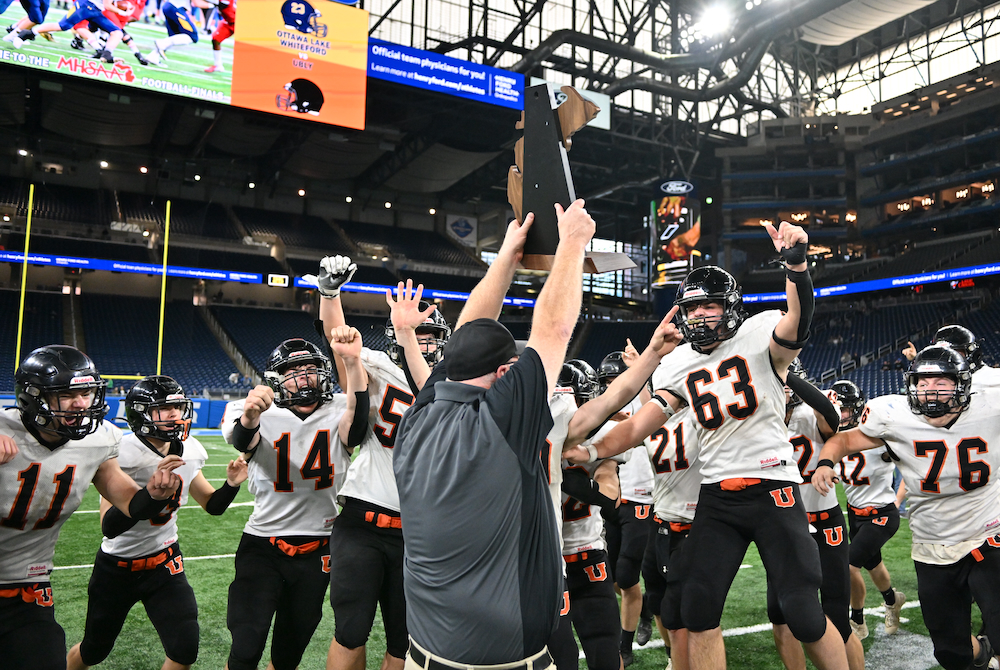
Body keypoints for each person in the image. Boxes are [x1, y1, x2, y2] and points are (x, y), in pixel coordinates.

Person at [572, 221, 850, 670]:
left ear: (731, 307)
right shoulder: (678, 362)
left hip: (773, 488)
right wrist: (589, 451)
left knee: (802, 609)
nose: (700, 315)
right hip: (717, 496)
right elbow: (638, 426)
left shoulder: (760, 335)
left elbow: (798, 319)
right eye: (693, 307)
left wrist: (796, 264)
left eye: (710, 306)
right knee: (698, 612)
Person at [393, 201, 596, 669]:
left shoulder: (418, 414)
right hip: (501, 661)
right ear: (505, 371)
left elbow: (467, 335)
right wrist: (572, 244)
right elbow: (553, 328)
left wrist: (505, 257)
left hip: (423, 653)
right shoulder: (501, 421)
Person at [812, 345, 1000, 670]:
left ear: (963, 383)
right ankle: (982, 653)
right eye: (922, 383)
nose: (929, 392)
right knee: (951, 653)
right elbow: (842, 440)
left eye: (939, 382)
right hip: (931, 546)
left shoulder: (990, 405)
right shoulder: (894, 416)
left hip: (988, 536)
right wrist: (826, 462)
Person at [0, 345, 181, 670]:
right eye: (67, 394)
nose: (81, 403)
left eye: (86, 392)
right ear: (33, 395)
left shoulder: (97, 439)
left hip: (27, 586)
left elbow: (128, 501)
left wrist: (153, 494)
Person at [313, 256, 452, 670]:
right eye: (417, 334)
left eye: (430, 336)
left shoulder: (454, 385)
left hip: (422, 531)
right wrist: (330, 294)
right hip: (365, 517)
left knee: (405, 638)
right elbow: (340, 342)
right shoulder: (378, 366)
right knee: (351, 629)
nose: (424, 343)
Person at [66, 375, 248, 670]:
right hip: (118, 567)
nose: (175, 415)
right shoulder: (121, 454)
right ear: (141, 413)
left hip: (165, 563)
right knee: (94, 649)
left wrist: (231, 484)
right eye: (165, 408)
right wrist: (150, 495)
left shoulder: (188, 450)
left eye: (177, 407)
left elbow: (212, 506)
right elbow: (109, 526)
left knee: (184, 648)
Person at [221, 337, 363, 670]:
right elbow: (243, 439)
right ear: (276, 379)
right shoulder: (256, 410)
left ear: (323, 374)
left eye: (310, 369)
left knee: (288, 655)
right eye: (292, 370)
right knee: (245, 649)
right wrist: (252, 415)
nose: (302, 377)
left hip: (318, 548)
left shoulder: (343, 407)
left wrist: (354, 362)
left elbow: (360, 415)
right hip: (263, 544)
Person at [770, 361, 862, 670]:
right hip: (783, 526)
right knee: (781, 616)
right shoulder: (755, 419)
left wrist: (787, 376)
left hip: (823, 521)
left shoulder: (812, 412)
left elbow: (831, 416)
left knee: (837, 615)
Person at [827, 379, 904, 641]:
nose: (841, 415)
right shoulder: (833, 438)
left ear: (858, 409)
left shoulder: (879, 440)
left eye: (845, 409)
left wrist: (898, 499)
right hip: (856, 514)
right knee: (874, 564)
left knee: (848, 565)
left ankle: (857, 621)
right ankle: (892, 600)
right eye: (837, 409)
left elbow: (911, 467)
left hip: (882, 514)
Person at [597, 350, 655, 665]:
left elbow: (651, 412)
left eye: (614, 378)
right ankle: (643, 608)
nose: (611, 385)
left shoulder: (642, 404)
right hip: (611, 500)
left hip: (640, 496)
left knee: (627, 573)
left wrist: (641, 372)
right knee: (613, 578)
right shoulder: (600, 408)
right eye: (606, 380)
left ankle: (625, 646)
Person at [902, 325, 1000, 389]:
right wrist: (917, 359)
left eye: (955, 353)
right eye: (943, 354)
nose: (949, 357)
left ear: (972, 353)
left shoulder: (994, 378)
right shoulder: (941, 382)